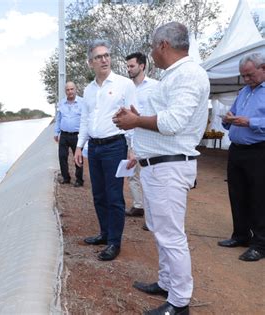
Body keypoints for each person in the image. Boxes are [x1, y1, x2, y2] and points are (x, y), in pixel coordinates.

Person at [113, 22, 209, 315]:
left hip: (169, 168)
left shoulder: (189, 75)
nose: (151, 52)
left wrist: (135, 121)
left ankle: (179, 303)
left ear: (164, 45)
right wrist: (137, 118)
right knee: (160, 230)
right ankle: (167, 282)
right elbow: (165, 118)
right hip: (157, 166)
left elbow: (172, 123)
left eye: (153, 46)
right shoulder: (174, 76)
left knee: (171, 235)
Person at [73, 39, 137, 261]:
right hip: (95, 148)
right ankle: (104, 233)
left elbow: (132, 116)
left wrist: (132, 148)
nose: (104, 59)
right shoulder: (89, 90)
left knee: (114, 196)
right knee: (98, 194)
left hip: (115, 146)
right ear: (90, 62)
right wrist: (79, 147)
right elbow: (85, 120)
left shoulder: (123, 84)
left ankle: (114, 242)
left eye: (107, 55)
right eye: (99, 57)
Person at [218, 52, 265, 262]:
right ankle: (241, 235)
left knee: (258, 197)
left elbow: (251, 121)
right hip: (237, 149)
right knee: (237, 194)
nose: (246, 79)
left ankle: (260, 244)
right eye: (243, 76)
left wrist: (250, 122)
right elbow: (232, 116)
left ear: (263, 68)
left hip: (259, 151)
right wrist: (227, 120)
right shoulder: (244, 92)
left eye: (249, 75)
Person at [125, 52, 158, 218]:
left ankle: (152, 215)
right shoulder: (126, 88)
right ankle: (138, 206)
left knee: (149, 176)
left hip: (149, 138)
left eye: (131, 66)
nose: (129, 69)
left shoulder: (155, 87)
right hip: (131, 137)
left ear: (142, 66)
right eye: (128, 67)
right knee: (132, 174)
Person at [54, 82, 85, 187]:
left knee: (78, 157)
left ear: (75, 89)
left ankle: (79, 180)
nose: (70, 91)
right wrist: (56, 132)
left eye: (72, 89)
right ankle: (66, 178)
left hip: (77, 135)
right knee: (62, 157)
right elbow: (58, 119)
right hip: (64, 135)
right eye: (68, 90)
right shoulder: (61, 103)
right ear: (65, 91)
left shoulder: (82, 102)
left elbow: (86, 120)